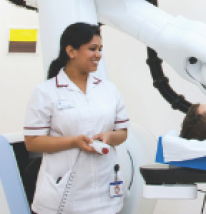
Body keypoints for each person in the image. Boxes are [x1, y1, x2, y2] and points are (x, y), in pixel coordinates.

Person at [24, 22, 130, 214]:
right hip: (63, 195)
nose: (98, 54)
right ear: (71, 51)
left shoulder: (108, 90)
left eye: (100, 49)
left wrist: (108, 137)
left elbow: (122, 133)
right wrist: (74, 142)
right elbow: (32, 142)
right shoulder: (46, 92)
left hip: (104, 194)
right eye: (92, 49)